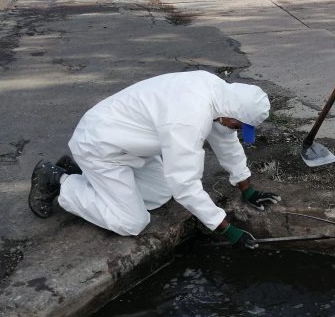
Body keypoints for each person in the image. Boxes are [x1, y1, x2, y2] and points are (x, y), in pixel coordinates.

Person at [28, 71, 281, 248]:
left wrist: (247, 188)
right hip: (100, 147)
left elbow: (226, 140)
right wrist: (226, 229)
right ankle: (58, 180)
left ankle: (86, 177)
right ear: (231, 113)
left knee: (160, 193)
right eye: (239, 125)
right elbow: (185, 184)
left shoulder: (218, 94)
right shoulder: (188, 118)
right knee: (132, 222)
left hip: (129, 144)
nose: (237, 130)